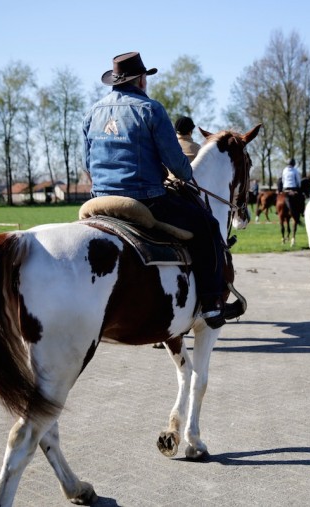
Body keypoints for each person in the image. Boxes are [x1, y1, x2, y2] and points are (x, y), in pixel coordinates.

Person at [82, 51, 239, 329]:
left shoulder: (91, 113)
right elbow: (177, 164)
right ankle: (213, 304)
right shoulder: (150, 109)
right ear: (141, 79)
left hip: (99, 200)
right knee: (209, 227)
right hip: (147, 200)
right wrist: (185, 175)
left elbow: (87, 163)